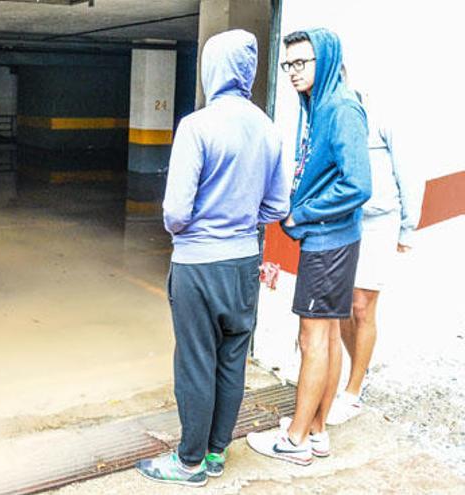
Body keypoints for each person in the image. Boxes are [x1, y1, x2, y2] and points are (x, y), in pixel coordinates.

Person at [135, 29, 289, 487]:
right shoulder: (268, 127)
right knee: (231, 360)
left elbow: (176, 212)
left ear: (211, 70)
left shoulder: (197, 126)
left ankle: (188, 464)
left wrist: (194, 228)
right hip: (244, 263)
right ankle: (218, 454)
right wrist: (242, 221)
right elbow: (279, 207)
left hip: (198, 265)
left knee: (196, 362)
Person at [246, 28, 372, 466]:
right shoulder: (320, 106)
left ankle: (295, 440)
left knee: (313, 337)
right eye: (289, 65)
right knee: (330, 334)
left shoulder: (341, 109)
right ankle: (316, 431)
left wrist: (303, 214)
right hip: (330, 239)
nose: (294, 72)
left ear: (327, 61)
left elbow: (359, 184)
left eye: (302, 63)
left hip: (329, 240)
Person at [326, 72, 424, 426]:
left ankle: (353, 391)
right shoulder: (325, 116)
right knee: (341, 309)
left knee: (361, 305)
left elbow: (410, 172)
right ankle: (356, 370)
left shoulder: (380, 112)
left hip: (378, 221)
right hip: (341, 222)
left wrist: (407, 228)